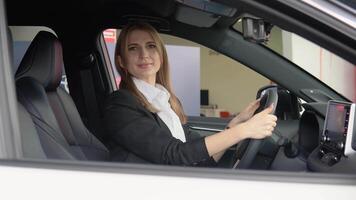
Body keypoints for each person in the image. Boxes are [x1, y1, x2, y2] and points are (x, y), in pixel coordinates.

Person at [103, 22, 277, 166]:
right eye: (133, 48)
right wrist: (243, 131)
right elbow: (174, 155)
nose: (144, 54)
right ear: (121, 61)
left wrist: (236, 123)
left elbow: (199, 157)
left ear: (161, 56)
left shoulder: (167, 101)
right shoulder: (120, 104)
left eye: (151, 46)